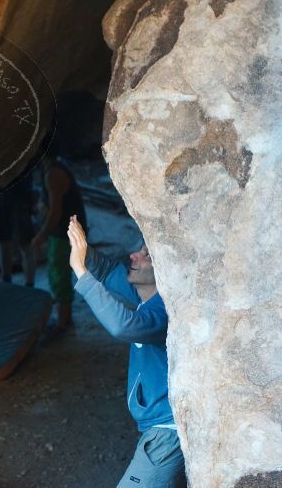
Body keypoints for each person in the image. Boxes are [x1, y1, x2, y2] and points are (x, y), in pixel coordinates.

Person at [67, 215, 186, 488]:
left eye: (146, 254)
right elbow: (108, 271)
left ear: (165, 269)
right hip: (156, 429)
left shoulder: (165, 312)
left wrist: (79, 271)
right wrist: (81, 248)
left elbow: (123, 326)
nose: (134, 255)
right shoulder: (145, 297)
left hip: (166, 433)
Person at [31, 144, 87, 333]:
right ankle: (64, 320)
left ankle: (64, 323)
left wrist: (40, 237)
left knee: (59, 274)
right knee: (58, 273)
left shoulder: (52, 174)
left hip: (65, 234)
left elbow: (56, 212)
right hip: (66, 231)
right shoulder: (54, 168)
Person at [0, 171, 36, 286]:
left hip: (19, 193)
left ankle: (29, 285)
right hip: (3, 193)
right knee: (5, 241)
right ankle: (7, 282)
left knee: (25, 243)